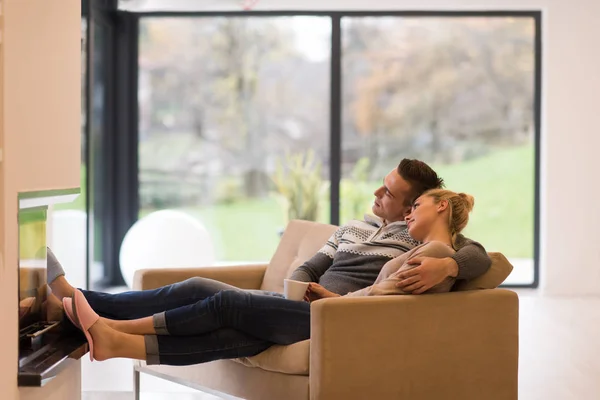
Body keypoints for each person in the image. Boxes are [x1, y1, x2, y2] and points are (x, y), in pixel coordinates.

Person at [61, 188, 477, 366]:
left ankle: (112, 328)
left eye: (416, 205)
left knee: (225, 304)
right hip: (332, 312)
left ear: (441, 207)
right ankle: (106, 334)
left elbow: (389, 307)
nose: (409, 214)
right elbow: (382, 294)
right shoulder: (426, 250)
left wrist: (453, 263)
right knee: (230, 330)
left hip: (340, 323)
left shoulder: (439, 254)